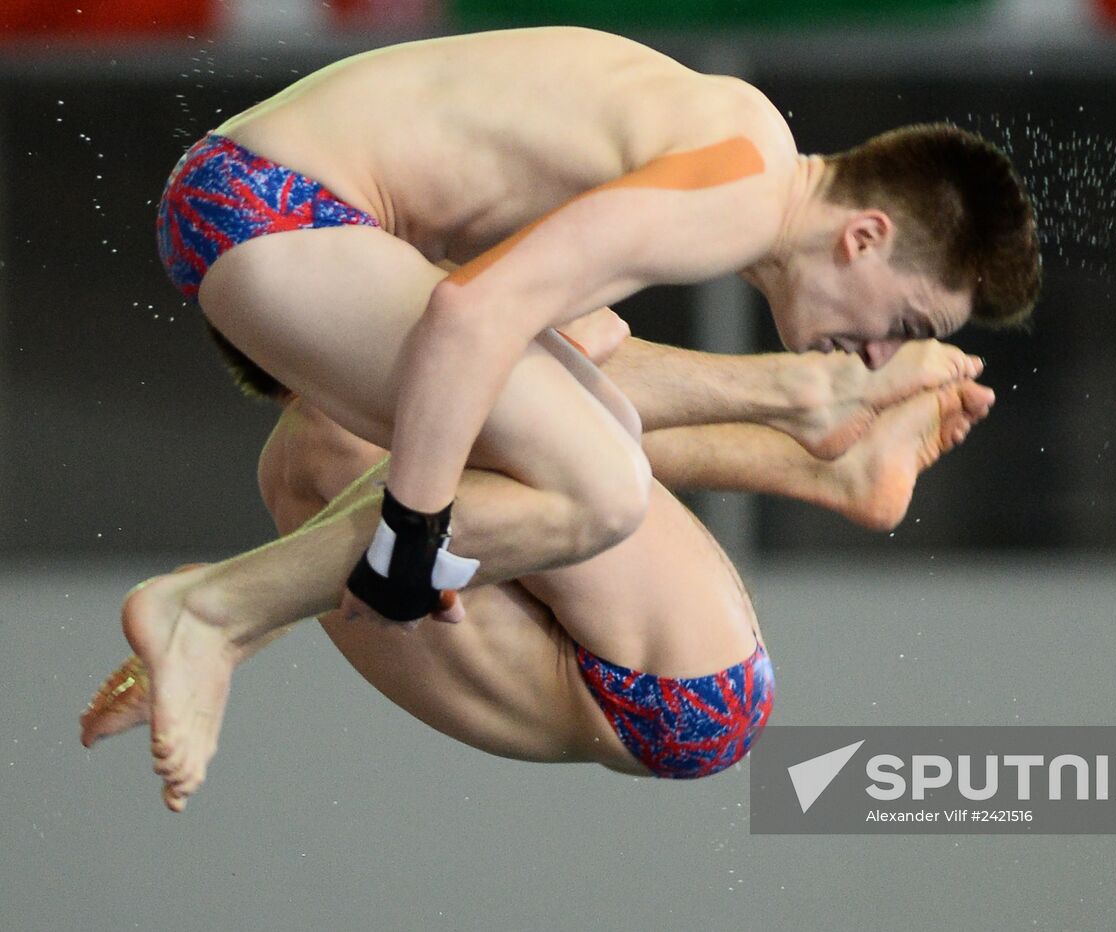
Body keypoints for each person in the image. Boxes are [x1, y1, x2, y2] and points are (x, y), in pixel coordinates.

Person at [156, 25, 1039, 626]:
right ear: (864, 237)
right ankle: (210, 614)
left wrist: (459, 534)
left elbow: (554, 335)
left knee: (590, 402)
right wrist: (414, 535)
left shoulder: (741, 142)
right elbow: (471, 310)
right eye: (906, 318)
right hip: (275, 207)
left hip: (267, 200)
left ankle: (812, 434)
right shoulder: (741, 191)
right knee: (602, 484)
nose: (884, 349)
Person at [86, 311, 995, 811]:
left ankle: (215, 622)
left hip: (636, 699)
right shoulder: (347, 425)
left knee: (515, 419)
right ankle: (212, 618)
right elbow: (593, 338)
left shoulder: (306, 462)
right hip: (676, 671)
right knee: (509, 382)